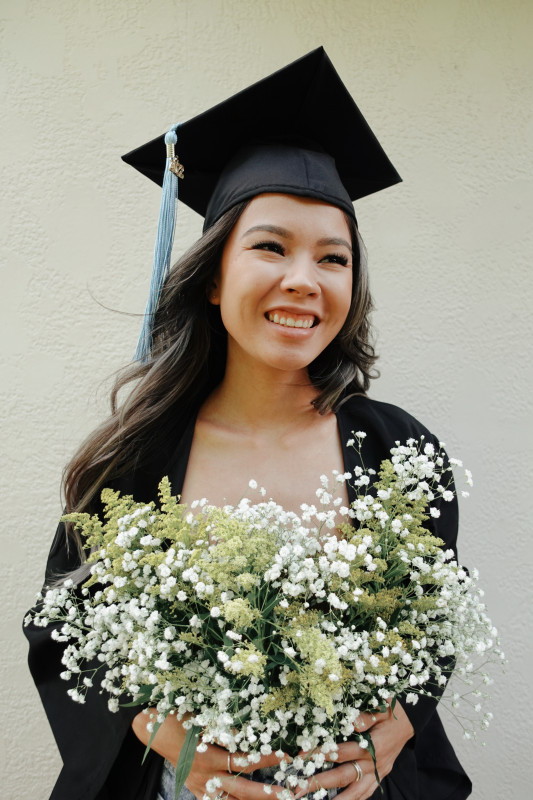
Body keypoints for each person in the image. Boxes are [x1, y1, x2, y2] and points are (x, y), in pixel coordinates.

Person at [24, 48, 471, 800]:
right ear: (212, 274)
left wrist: (402, 718)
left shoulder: (396, 450)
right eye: (269, 246)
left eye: (334, 258)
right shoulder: (137, 461)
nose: (304, 279)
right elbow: (65, 632)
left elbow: (431, 627)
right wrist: (161, 735)